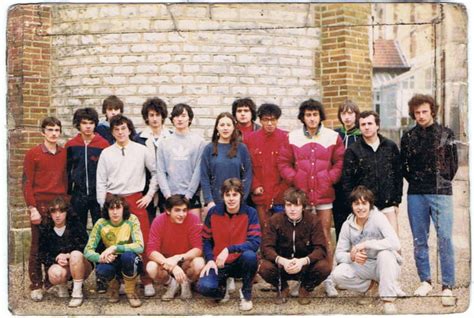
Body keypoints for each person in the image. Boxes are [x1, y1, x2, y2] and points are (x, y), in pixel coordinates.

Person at [400, 94, 458, 306]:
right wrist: (417, 182)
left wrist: (441, 182)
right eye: (417, 113)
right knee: (419, 239)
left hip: (441, 192)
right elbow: (404, 166)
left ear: (432, 110)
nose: (421, 116)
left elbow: (453, 165)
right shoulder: (408, 137)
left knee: (444, 238)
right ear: (413, 114)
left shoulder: (446, 134)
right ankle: (425, 280)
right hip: (416, 194)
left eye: (425, 111)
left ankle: (447, 285)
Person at [96, 114, 158, 297]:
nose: (120, 132)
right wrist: (103, 205)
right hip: (114, 201)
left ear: (129, 130)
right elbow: (101, 182)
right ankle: (122, 281)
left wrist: (149, 195)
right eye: (116, 129)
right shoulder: (106, 153)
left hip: (135, 199)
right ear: (112, 132)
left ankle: (147, 281)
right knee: (116, 242)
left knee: (143, 241)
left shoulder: (141, 149)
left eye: (123, 128)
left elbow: (155, 172)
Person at [279, 99, 344, 262]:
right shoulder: (292, 137)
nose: (312, 118)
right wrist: (295, 178)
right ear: (303, 117)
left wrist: (329, 178)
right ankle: (304, 278)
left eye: (315, 114)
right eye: (308, 115)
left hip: (324, 194)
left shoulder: (333, 137)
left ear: (320, 116)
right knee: (302, 237)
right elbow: (283, 162)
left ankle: (327, 277)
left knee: (325, 236)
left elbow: (340, 162)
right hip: (302, 196)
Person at [329, 186, 405, 314]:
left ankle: (388, 300)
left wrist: (367, 244)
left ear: (370, 205)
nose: (360, 207)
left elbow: (395, 243)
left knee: (385, 254)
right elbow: (339, 254)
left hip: (385, 264)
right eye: (356, 204)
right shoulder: (347, 225)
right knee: (337, 274)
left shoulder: (378, 218)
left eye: (364, 203)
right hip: (364, 265)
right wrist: (351, 257)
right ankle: (373, 286)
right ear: (352, 206)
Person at [196, 178, 261, 311]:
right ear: (223, 196)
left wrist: (229, 249)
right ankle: (222, 288)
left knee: (250, 256)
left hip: (240, 261)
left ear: (241, 196)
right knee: (204, 287)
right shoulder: (214, 213)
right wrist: (209, 260)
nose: (231, 199)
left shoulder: (250, 213)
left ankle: (246, 293)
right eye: (227, 195)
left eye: (235, 195)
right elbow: (206, 240)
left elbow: (254, 243)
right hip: (219, 262)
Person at [22, 116, 68, 301]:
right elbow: (26, 183)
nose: (54, 133)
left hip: (59, 205)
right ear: (43, 132)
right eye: (50, 130)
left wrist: (65, 205)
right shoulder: (33, 154)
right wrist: (32, 207)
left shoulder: (64, 153)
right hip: (40, 205)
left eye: (57, 130)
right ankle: (36, 285)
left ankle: (55, 284)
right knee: (38, 246)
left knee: (57, 245)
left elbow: (66, 180)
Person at [259, 188, 331, 305]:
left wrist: (303, 261)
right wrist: (282, 261)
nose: (292, 209)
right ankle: (282, 288)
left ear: (303, 206)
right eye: (289, 205)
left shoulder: (313, 220)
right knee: (263, 267)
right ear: (284, 206)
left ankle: (305, 288)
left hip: (303, 265)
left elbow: (320, 249)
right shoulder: (274, 220)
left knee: (324, 267)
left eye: (296, 205)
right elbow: (266, 247)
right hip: (282, 265)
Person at [341, 111, 402, 235]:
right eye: (363, 124)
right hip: (364, 206)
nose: (367, 127)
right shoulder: (353, 150)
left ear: (377, 125)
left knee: (394, 245)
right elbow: (347, 180)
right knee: (366, 247)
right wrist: (355, 204)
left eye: (370, 123)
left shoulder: (390, 146)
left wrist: (396, 201)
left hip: (387, 205)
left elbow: (398, 175)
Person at [84, 195, 145, 307]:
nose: (115, 212)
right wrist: (100, 257)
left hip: (128, 257)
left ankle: (131, 291)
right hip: (112, 259)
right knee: (101, 269)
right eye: (111, 208)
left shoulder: (132, 219)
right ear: (107, 210)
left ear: (123, 209)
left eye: (118, 208)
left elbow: (140, 246)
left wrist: (116, 247)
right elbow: (87, 251)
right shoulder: (101, 223)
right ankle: (113, 287)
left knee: (128, 257)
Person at [146, 194, 204, 301]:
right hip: (166, 261)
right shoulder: (159, 221)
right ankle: (172, 283)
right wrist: (171, 266)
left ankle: (186, 282)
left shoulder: (193, 220)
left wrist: (179, 257)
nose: (182, 214)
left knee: (199, 263)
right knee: (151, 267)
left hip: (186, 261)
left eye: (184, 210)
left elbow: (198, 248)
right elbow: (151, 251)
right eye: (177, 210)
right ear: (168, 211)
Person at [38, 196, 92, 307]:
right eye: (54, 211)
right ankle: (62, 286)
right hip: (61, 267)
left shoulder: (76, 225)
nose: (57, 215)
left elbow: (87, 248)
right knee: (55, 274)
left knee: (75, 254)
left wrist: (68, 255)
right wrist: (56, 258)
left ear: (67, 212)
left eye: (61, 211)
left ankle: (77, 293)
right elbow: (42, 254)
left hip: (80, 265)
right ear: (50, 213)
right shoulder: (46, 228)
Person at [156, 103, 206, 219]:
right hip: (170, 196)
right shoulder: (164, 143)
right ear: (172, 119)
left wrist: (189, 195)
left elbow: (198, 170)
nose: (179, 119)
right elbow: (160, 171)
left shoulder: (199, 142)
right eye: (176, 116)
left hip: (191, 196)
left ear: (190, 119)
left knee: (194, 233)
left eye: (183, 115)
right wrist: (167, 195)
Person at [244, 103, 289, 230]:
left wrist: (281, 189)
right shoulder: (250, 139)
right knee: (264, 230)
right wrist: (255, 185)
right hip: (261, 195)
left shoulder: (285, 138)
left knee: (281, 230)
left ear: (277, 120)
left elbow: (289, 166)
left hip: (281, 195)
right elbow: (247, 167)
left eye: (273, 120)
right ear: (260, 120)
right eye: (266, 120)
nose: (269, 123)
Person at [65, 107, 109, 230]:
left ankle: (100, 250)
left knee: (100, 227)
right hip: (78, 194)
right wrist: (67, 194)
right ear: (78, 124)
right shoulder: (71, 145)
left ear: (95, 124)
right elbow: (67, 172)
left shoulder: (103, 144)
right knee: (77, 228)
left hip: (98, 193)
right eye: (84, 123)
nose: (88, 126)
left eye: (91, 123)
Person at [200, 112, 253, 210]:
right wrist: (209, 201)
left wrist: (241, 198)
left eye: (228, 125)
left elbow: (248, 175)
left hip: (237, 202)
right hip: (215, 202)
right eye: (222, 125)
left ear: (234, 128)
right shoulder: (209, 149)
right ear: (217, 127)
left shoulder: (241, 148)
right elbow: (204, 177)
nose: (225, 128)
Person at [136, 97, 172, 221]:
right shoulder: (138, 139)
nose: (155, 118)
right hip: (145, 189)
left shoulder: (171, 137)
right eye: (151, 115)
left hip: (167, 188)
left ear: (163, 116)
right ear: (146, 117)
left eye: (158, 114)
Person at [333, 100, 361, 239]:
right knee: (340, 223)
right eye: (344, 113)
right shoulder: (335, 134)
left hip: (356, 185)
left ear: (356, 115)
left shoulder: (361, 135)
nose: (347, 117)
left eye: (350, 113)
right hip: (337, 186)